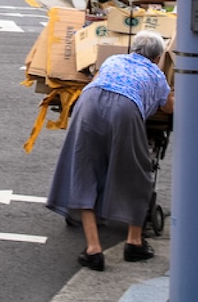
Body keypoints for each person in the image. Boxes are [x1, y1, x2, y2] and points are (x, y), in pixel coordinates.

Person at [46, 30, 174, 271]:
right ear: (157, 57)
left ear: (133, 49)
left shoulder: (112, 60)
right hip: (125, 109)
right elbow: (168, 108)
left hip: (89, 103)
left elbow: (96, 81)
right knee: (135, 172)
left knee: (83, 170)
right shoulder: (156, 74)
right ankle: (134, 242)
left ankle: (93, 249)